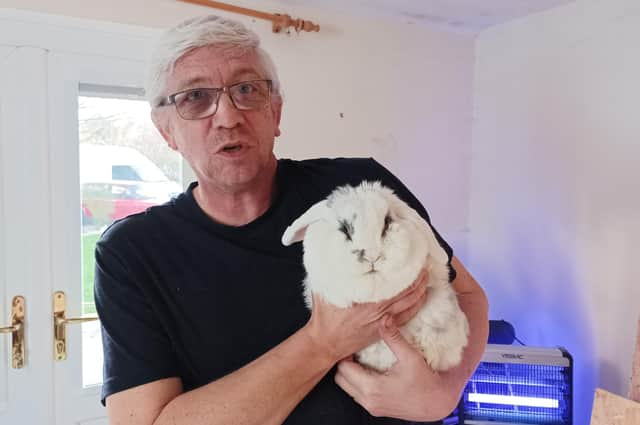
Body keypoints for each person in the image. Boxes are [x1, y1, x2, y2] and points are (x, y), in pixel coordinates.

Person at [94, 14, 489, 425]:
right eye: (195, 97)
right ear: (166, 131)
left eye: (247, 90)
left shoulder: (359, 189)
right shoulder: (132, 253)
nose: (228, 117)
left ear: (276, 111)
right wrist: (323, 342)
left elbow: (469, 296)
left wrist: (444, 392)